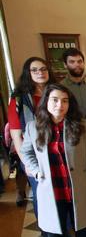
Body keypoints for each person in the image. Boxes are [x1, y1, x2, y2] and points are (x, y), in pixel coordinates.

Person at [20, 83, 86, 236]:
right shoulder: (33, 127)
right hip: (52, 191)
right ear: (46, 101)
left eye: (65, 100)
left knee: (83, 231)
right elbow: (26, 152)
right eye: (55, 100)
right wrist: (36, 171)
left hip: (78, 190)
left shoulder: (82, 125)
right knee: (55, 232)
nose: (60, 105)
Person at [8, 57, 56, 214]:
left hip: (56, 149)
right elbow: (16, 134)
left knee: (59, 191)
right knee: (41, 192)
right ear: (27, 73)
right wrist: (27, 163)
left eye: (43, 69)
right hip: (33, 153)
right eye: (34, 70)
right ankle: (46, 228)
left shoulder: (56, 93)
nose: (40, 73)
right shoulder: (18, 99)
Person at [60, 48, 86, 116]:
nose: (77, 64)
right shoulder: (60, 88)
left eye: (80, 61)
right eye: (72, 62)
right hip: (72, 125)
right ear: (65, 65)